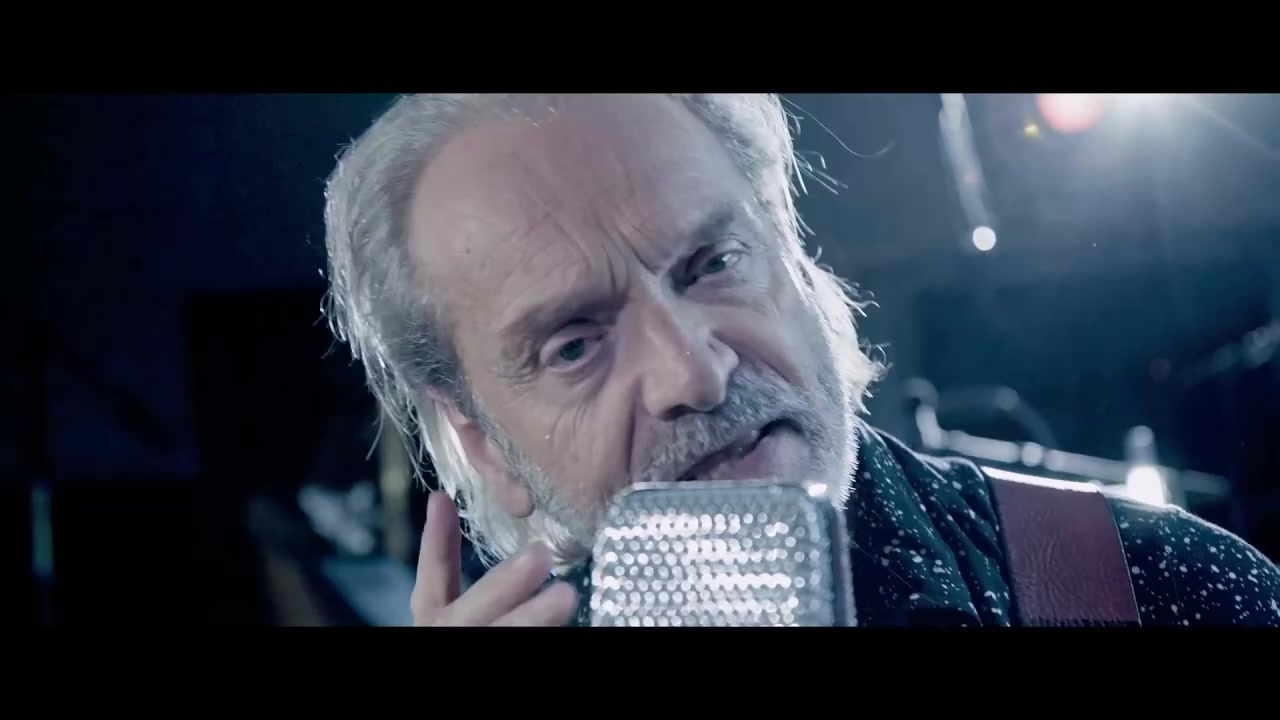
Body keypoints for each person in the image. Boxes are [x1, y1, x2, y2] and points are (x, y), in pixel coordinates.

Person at [322, 93, 1280, 627]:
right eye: (575, 344)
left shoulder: (1157, 588)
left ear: (797, 261)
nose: (695, 374)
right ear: (483, 443)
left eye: (714, 264)